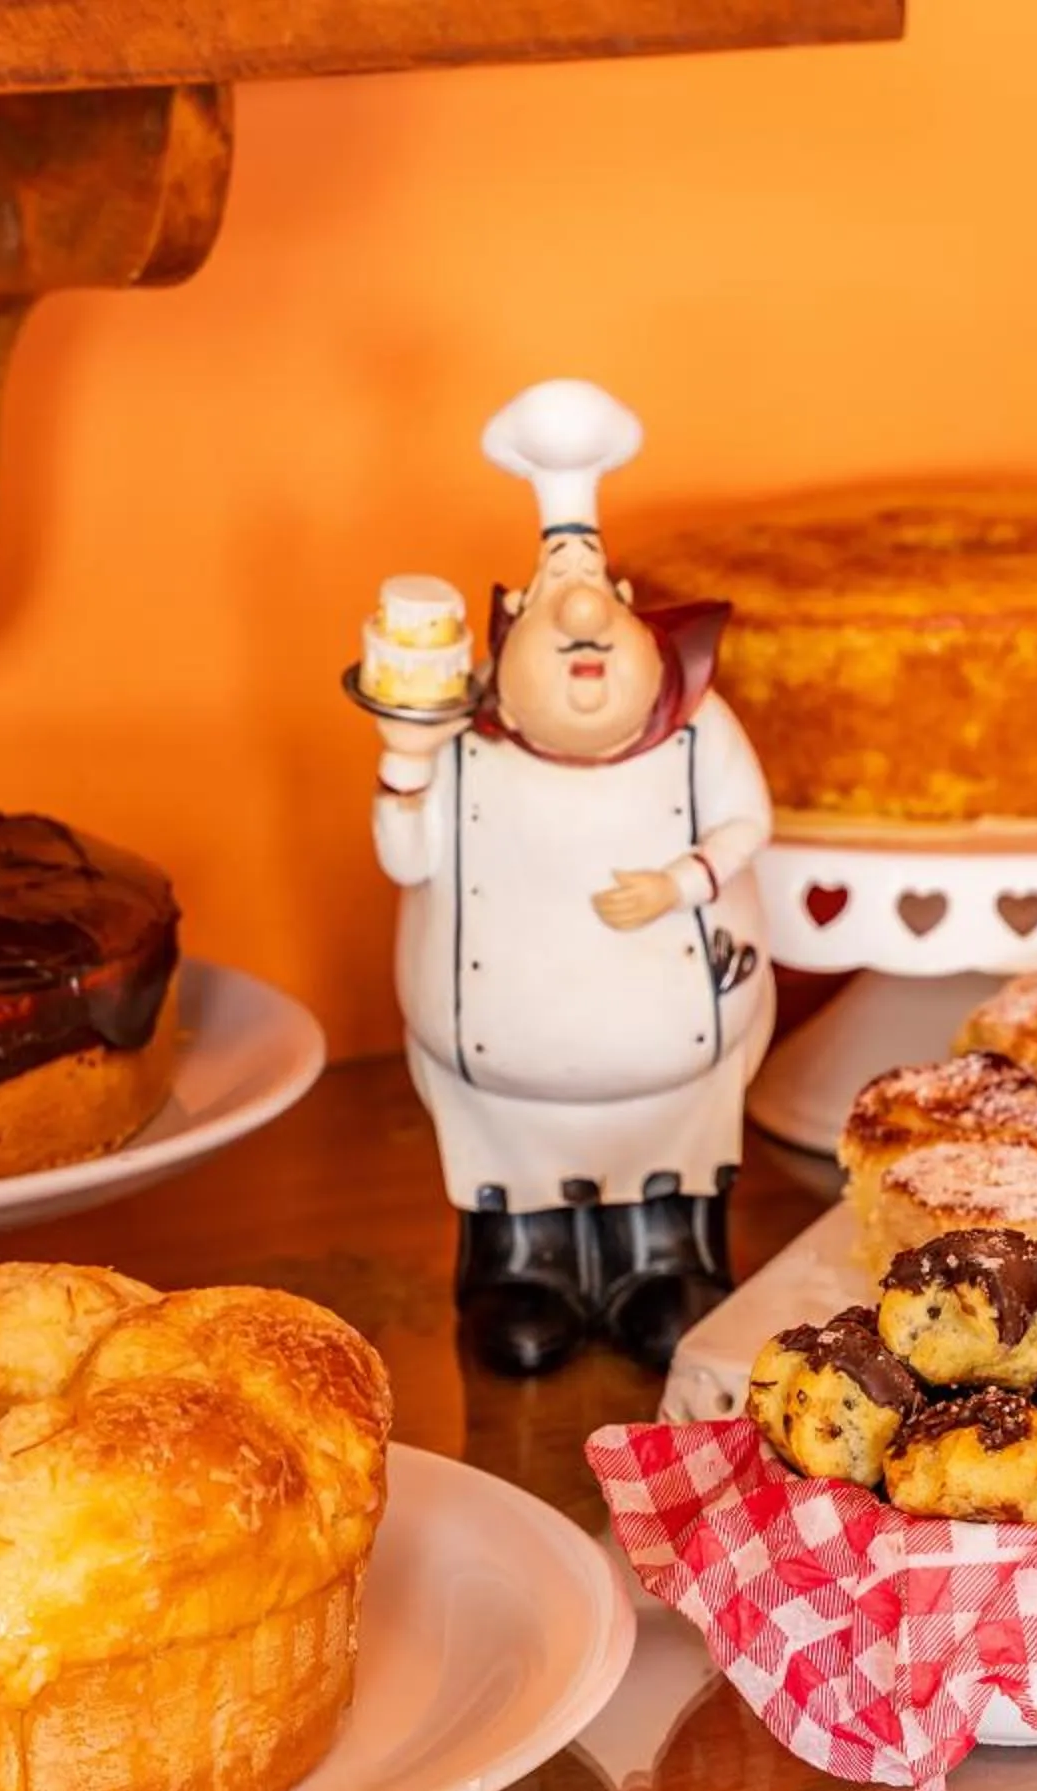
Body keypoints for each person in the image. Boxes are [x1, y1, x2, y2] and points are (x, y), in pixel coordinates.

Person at [371, 381, 774, 1373]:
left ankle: (664, 1266)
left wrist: (681, 882)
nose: (585, 631)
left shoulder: (699, 732)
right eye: (559, 626)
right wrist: (404, 762)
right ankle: (524, 1273)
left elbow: (748, 823)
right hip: (501, 1081)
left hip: (680, 1063)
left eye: (601, 616)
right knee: (519, 1188)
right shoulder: (464, 747)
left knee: (671, 1178)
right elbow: (408, 858)